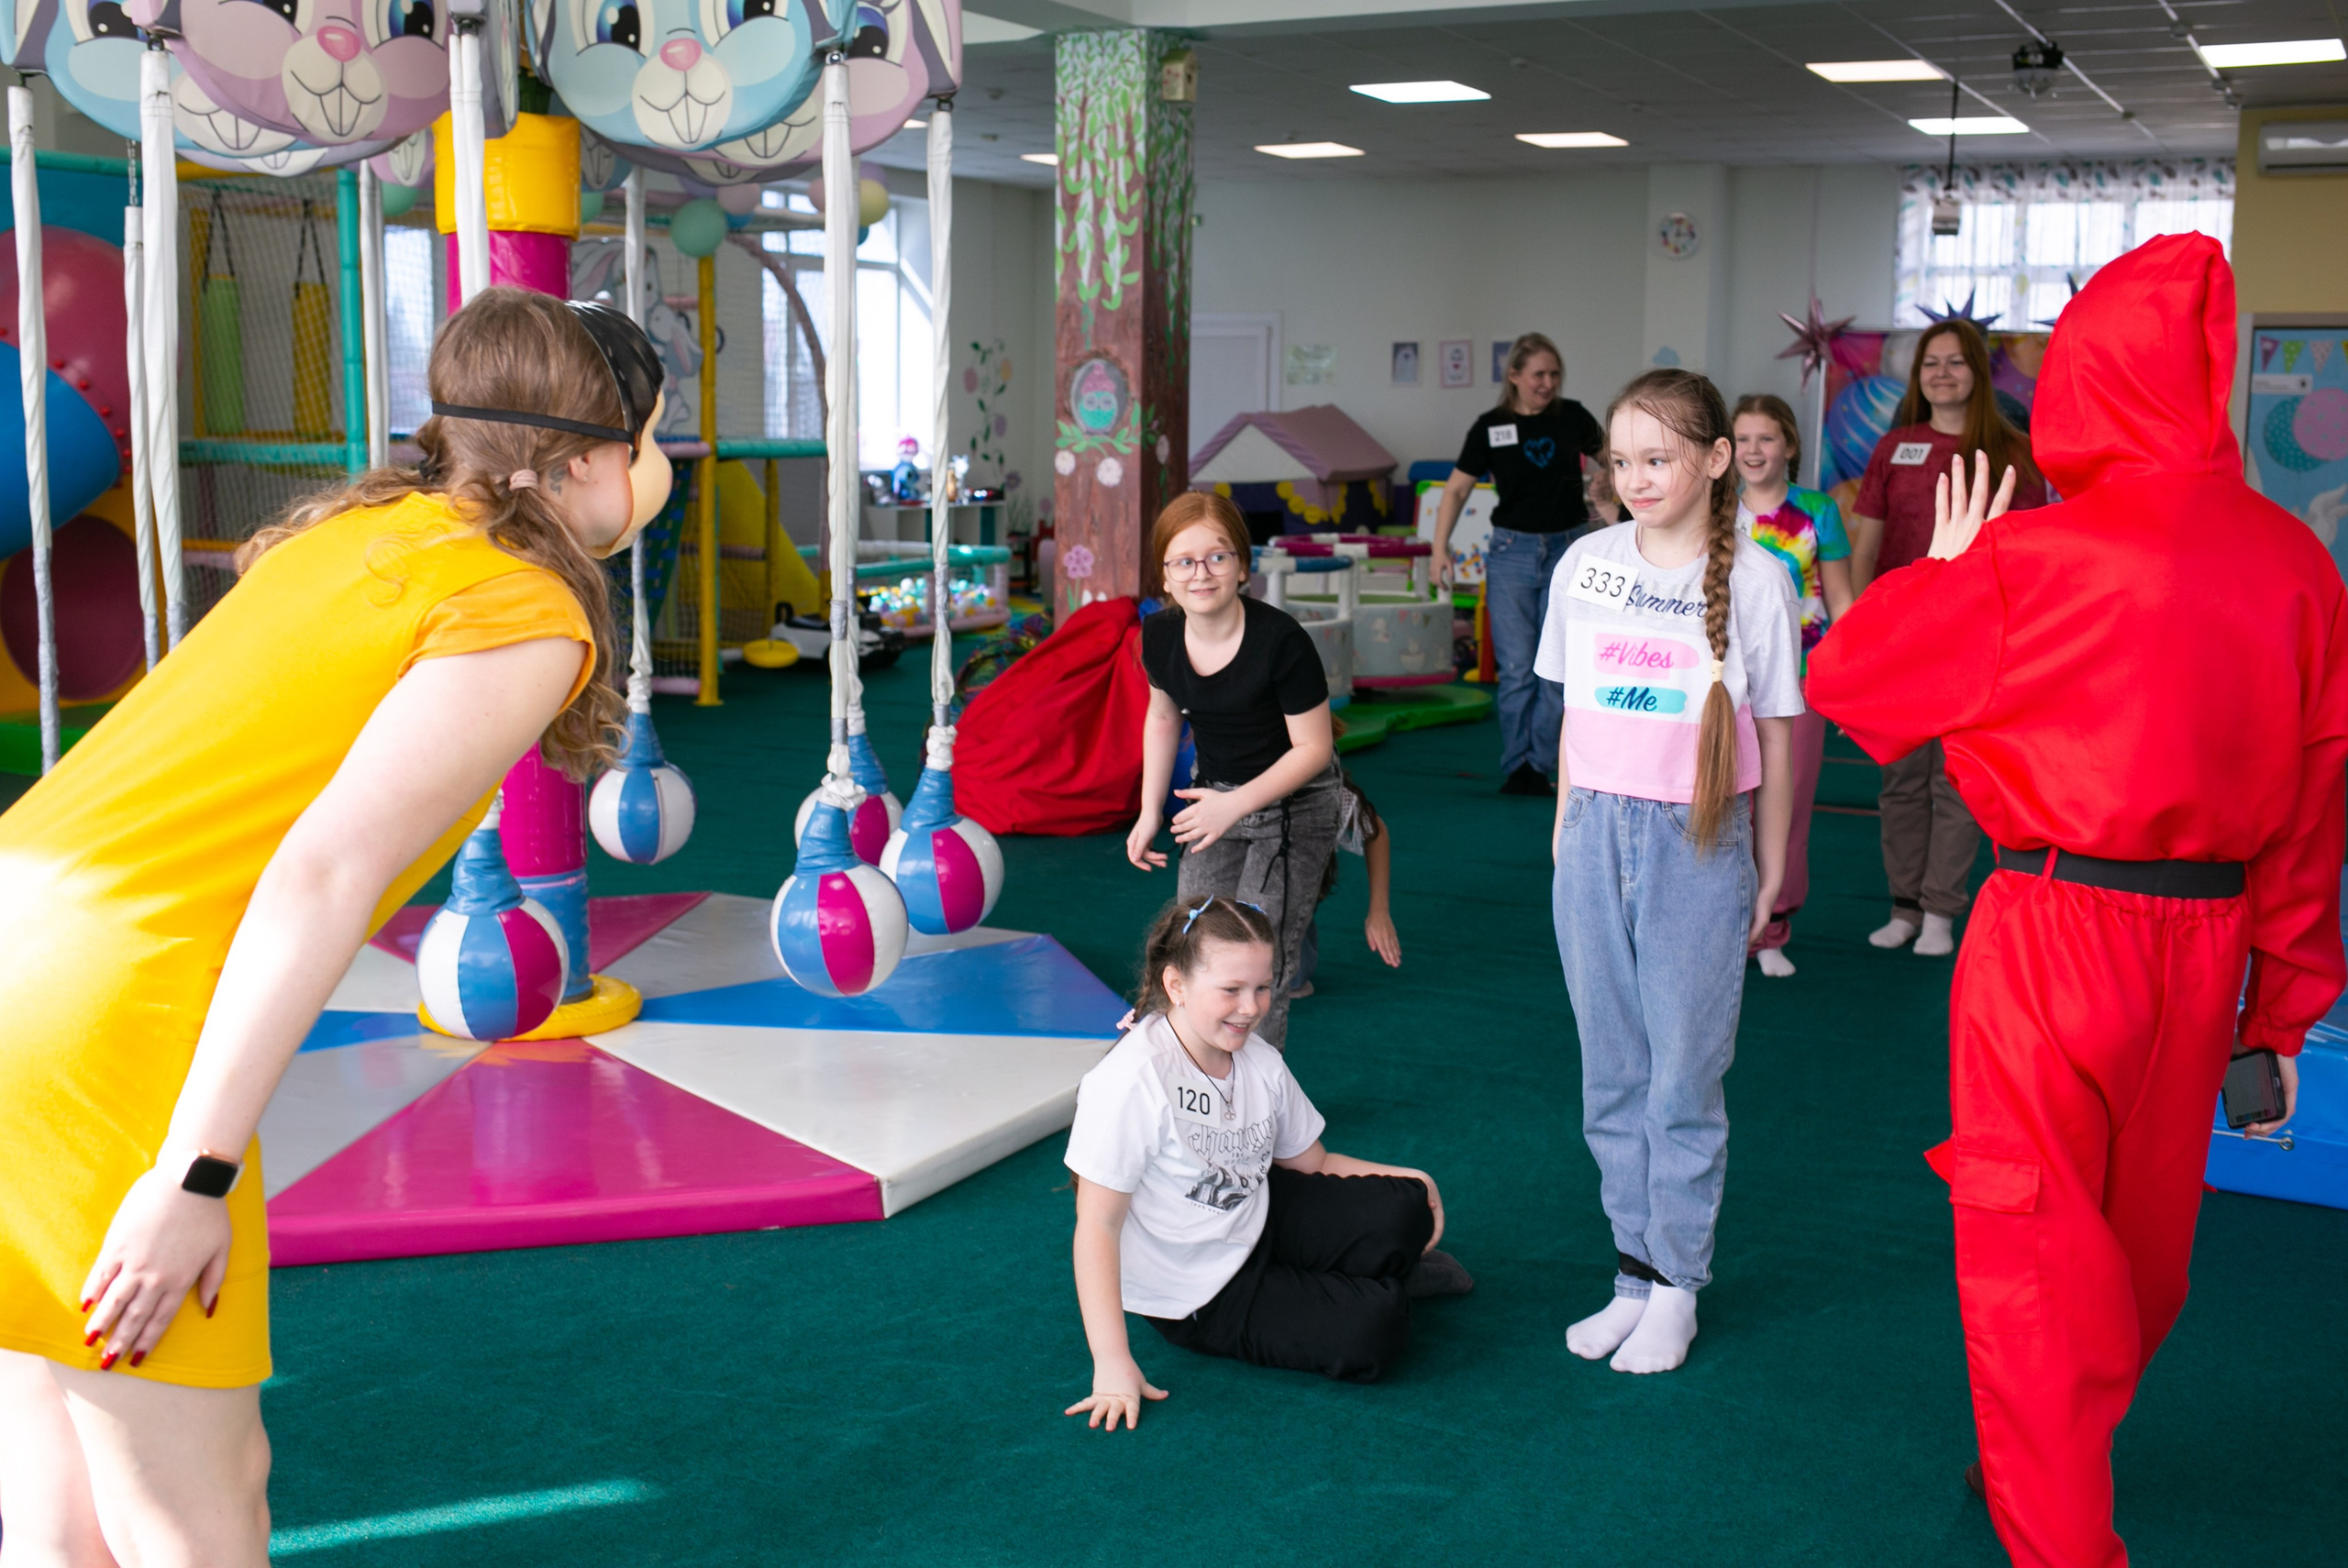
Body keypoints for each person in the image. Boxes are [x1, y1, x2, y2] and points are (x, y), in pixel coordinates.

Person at [0, 287, 670, 1564]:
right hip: (103, 1008)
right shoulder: (524, 605)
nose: (655, 471)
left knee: (60, 1478)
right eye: (648, 442)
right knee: (198, 1506)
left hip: (16, 935)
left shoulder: (362, 529)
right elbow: (319, 877)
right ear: (585, 458)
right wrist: (192, 1174)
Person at [1809, 235, 2347, 1568]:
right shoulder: (2297, 564)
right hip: (2207, 942)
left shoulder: (2025, 558)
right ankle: (2061, 1476)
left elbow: (1852, 684)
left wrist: (1951, 562)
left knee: (2037, 1257)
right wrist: (2274, 1020)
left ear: (2083, 379)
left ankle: (2056, 1511)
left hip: (2050, 932)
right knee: (2139, 1251)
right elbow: (2311, 817)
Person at [1538, 369, 1802, 1375]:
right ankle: (1632, 1276)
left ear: (1714, 460)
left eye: (1659, 458)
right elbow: (1574, 721)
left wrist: (1770, 870)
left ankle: (1679, 1285)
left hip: (1701, 842)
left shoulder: (1759, 581)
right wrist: (1566, 839)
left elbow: (1776, 739)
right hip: (1593, 840)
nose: (1638, 478)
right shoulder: (1585, 565)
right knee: (1611, 1073)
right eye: (1623, 460)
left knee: (1681, 1081)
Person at [1062, 897, 1467, 1427]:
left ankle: (1367, 1270)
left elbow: (1313, 1161)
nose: (1251, 1007)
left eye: (1262, 986)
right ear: (1176, 986)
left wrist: (1413, 1181)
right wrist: (1111, 1363)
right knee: (1376, 1329)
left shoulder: (1259, 1059)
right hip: (1198, 1292)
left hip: (1258, 1212)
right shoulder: (1130, 1080)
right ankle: (1374, 1281)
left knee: (1406, 1205)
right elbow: (1096, 1225)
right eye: (1230, 990)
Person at [1846, 320, 2048, 956]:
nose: (1941, 373)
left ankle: (1941, 911)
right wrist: (1859, 623)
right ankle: (1905, 905)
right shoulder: (1894, 447)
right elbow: (1866, 544)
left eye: (1955, 363)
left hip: (1978, 642)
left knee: (1954, 782)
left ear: (1977, 374)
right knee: (1901, 781)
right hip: (1902, 640)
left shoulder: (2013, 452)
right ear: (1917, 376)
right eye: (1930, 363)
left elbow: (2036, 556)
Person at [1127, 492, 1336, 1049]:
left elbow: (1314, 749)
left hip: (1295, 803)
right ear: (1165, 577)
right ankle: (1191, 1080)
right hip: (1214, 798)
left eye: (1218, 557)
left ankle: (1254, 1105)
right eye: (1184, 562)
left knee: (1255, 953)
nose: (1202, 573)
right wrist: (1150, 810)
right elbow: (1163, 716)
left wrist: (1234, 804)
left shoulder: (1281, 641)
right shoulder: (1160, 637)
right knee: (1194, 941)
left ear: (1243, 566)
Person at [1431, 332, 1608, 797]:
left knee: (1558, 668)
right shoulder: (1491, 426)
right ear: (1514, 377)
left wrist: (1623, 520)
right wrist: (1438, 548)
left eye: (1554, 374)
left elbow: (1616, 464)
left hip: (1570, 550)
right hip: (1512, 552)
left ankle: (1542, 763)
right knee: (1516, 667)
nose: (1547, 383)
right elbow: (1455, 490)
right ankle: (1518, 766)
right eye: (1538, 375)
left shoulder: (1574, 417)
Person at [1732, 392, 1855, 977]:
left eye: (1767, 438)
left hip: (1800, 680)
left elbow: (1840, 601)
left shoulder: (1818, 511)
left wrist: (1852, 680)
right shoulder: (1711, 506)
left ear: (1789, 446)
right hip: (1724, 679)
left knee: (1787, 806)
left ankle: (1773, 925)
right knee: (1726, 803)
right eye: (1745, 438)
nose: (1755, 450)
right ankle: (1723, 923)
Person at [1289, 765, 1401, 999]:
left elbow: (1374, 829)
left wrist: (1379, 911)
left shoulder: (1315, 778)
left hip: (1291, 893)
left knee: (1290, 978)